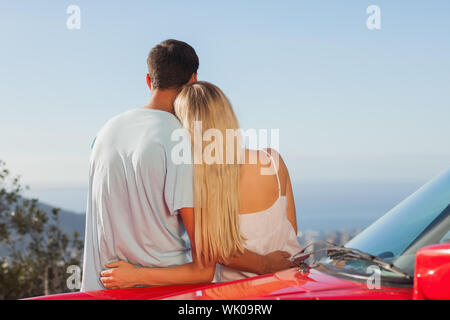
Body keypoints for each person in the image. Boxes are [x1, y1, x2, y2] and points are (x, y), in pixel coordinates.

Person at [82, 40, 293, 291]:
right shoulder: (180, 141)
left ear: (149, 81)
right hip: (163, 293)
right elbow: (205, 266)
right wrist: (266, 263)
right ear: (194, 80)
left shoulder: (105, 132)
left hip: (100, 290)